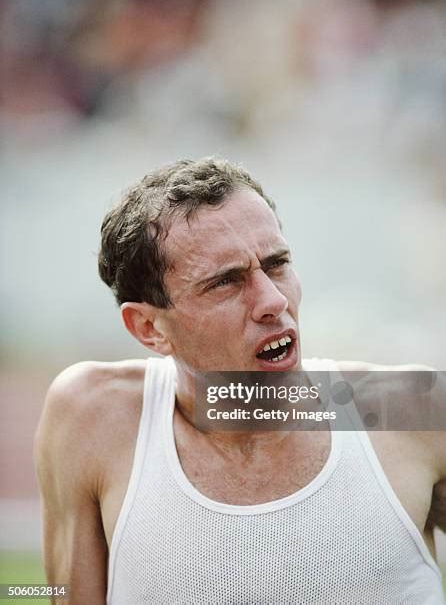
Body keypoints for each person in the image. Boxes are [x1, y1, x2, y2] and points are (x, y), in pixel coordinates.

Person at [35, 157, 446, 604]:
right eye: (225, 283)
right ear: (149, 329)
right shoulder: (91, 418)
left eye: (276, 264)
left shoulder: (415, 410)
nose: (273, 300)